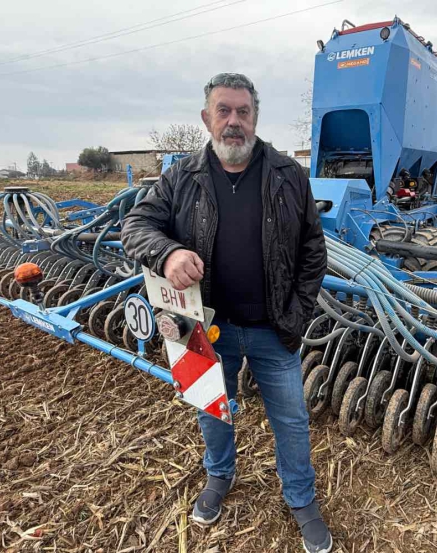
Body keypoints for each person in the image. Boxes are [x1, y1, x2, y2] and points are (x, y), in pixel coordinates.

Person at [121, 73, 331, 553]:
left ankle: (300, 498)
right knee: (213, 409)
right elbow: (135, 225)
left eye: (243, 111)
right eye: (224, 111)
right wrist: (168, 253)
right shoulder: (181, 177)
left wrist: (295, 317)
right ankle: (219, 475)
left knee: (293, 420)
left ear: (255, 116)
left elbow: (313, 252)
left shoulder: (287, 175)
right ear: (206, 117)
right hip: (207, 328)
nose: (234, 121)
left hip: (271, 328)